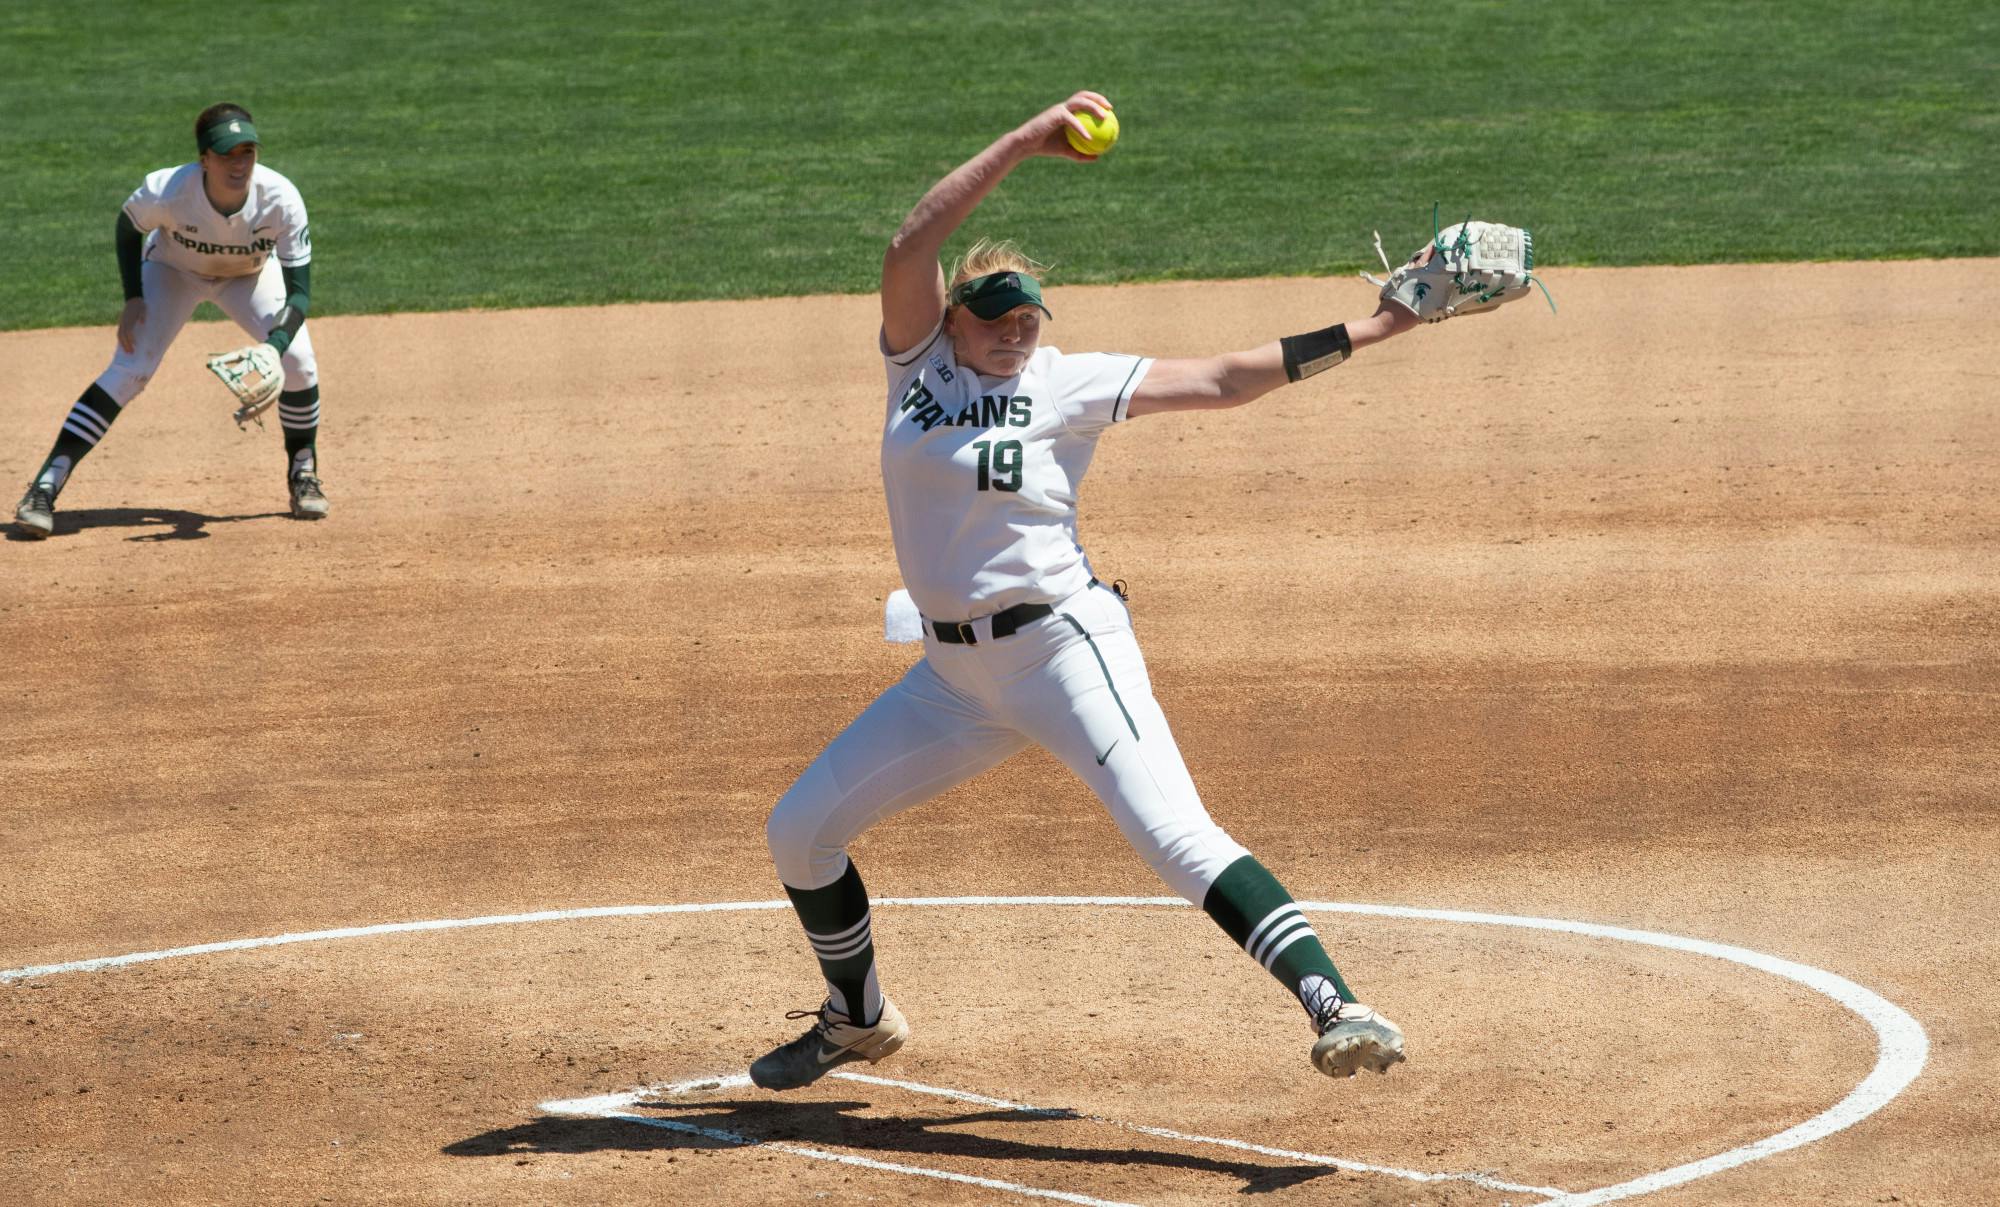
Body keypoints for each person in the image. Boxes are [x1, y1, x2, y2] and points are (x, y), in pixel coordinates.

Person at [752, 91, 1523, 1092]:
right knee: (799, 831)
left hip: (1062, 651)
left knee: (1172, 834)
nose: (1012, 332)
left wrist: (1377, 328)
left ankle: (1336, 1003)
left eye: (1026, 318)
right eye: (991, 316)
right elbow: (911, 240)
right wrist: (1028, 140)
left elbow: (1218, 380)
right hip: (949, 680)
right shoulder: (915, 368)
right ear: (949, 319)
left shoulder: (1065, 382)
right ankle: (856, 1018)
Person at [13, 103, 326, 538]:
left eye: (247, 152)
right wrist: (133, 296)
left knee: (299, 362)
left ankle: (303, 471)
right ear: (204, 158)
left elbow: (300, 293)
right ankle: (44, 487)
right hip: (173, 272)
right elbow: (128, 227)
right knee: (131, 369)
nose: (239, 163)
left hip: (249, 277)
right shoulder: (166, 190)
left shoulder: (281, 198)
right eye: (227, 153)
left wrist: (274, 348)